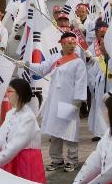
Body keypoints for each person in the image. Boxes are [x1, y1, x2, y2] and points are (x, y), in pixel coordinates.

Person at [37, 30, 94, 171]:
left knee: (69, 131)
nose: (72, 46)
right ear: (62, 44)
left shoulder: (78, 62)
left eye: (74, 43)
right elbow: (42, 69)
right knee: (55, 131)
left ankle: (72, 160)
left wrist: (78, 101)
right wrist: (26, 64)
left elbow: (81, 82)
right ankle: (57, 160)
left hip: (70, 101)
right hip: (55, 100)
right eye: (69, 43)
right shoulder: (55, 58)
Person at [0, 77, 45, 181]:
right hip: (10, 157)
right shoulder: (10, 113)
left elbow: (16, 144)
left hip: (25, 161)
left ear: (19, 94)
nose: (7, 94)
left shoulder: (28, 117)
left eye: (9, 91)